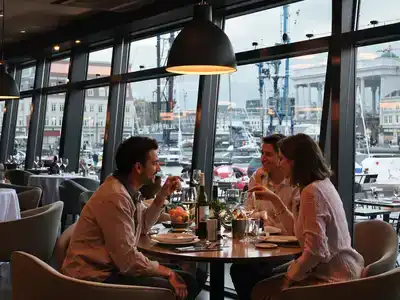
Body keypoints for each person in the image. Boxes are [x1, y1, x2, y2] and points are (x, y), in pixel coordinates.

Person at [61, 136, 200, 300]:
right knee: (182, 283)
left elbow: (144, 226)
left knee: (191, 278)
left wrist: (162, 195)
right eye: (155, 163)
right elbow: (127, 261)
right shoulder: (116, 196)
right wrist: (167, 272)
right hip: (92, 279)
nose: (159, 168)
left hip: (110, 269)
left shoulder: (126, 190)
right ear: (139, 167)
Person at [250, 134, 364, 300]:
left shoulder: (312, 192)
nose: (280, 164)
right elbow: (299, 233)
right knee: (265, 279)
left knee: (261, 289)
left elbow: (316, 252)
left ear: (294, 162)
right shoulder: (321, 184)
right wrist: (276, 200)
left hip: (334, 278)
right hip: (340, 268)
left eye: (282, 159)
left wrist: (290, 278)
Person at [230, 134, 300, 300]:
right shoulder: (258, 178)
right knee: (240, 268)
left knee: (245, 271)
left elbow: (297, 228)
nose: (262, 159)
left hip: (289, 249)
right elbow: (247, 211)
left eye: (268, 155)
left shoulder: (296, 185)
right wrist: (260, 214)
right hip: (263, 245)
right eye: (262, 153)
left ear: (282, 157)